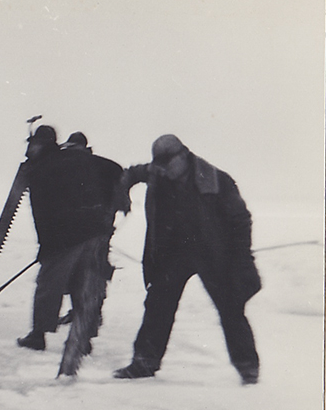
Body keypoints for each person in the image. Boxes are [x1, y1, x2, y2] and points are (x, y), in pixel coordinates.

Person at [114, 134, 260, 384]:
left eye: (167, 164)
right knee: (158, 305)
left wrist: (241, 256)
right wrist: (121, 191)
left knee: (231, 308)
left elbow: (240, 219)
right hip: (173, 252)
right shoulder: (159, 172)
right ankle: (144, 362)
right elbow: (131, 173)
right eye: (159, 165)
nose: (163, 171)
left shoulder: (215, 180)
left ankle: (247, 366)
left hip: (212, 254)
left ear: (183, 156)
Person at [17, 124, 126, 377]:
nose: (28, 149)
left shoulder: (46, 166)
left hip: (64, 237)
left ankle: (37, 335)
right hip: (92, 232)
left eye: (31, 145)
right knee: (82, 286)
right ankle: (84, 338)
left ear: (40, 145)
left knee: (48, 285)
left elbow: (44, 211)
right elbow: (112, 169)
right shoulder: (72, 159)